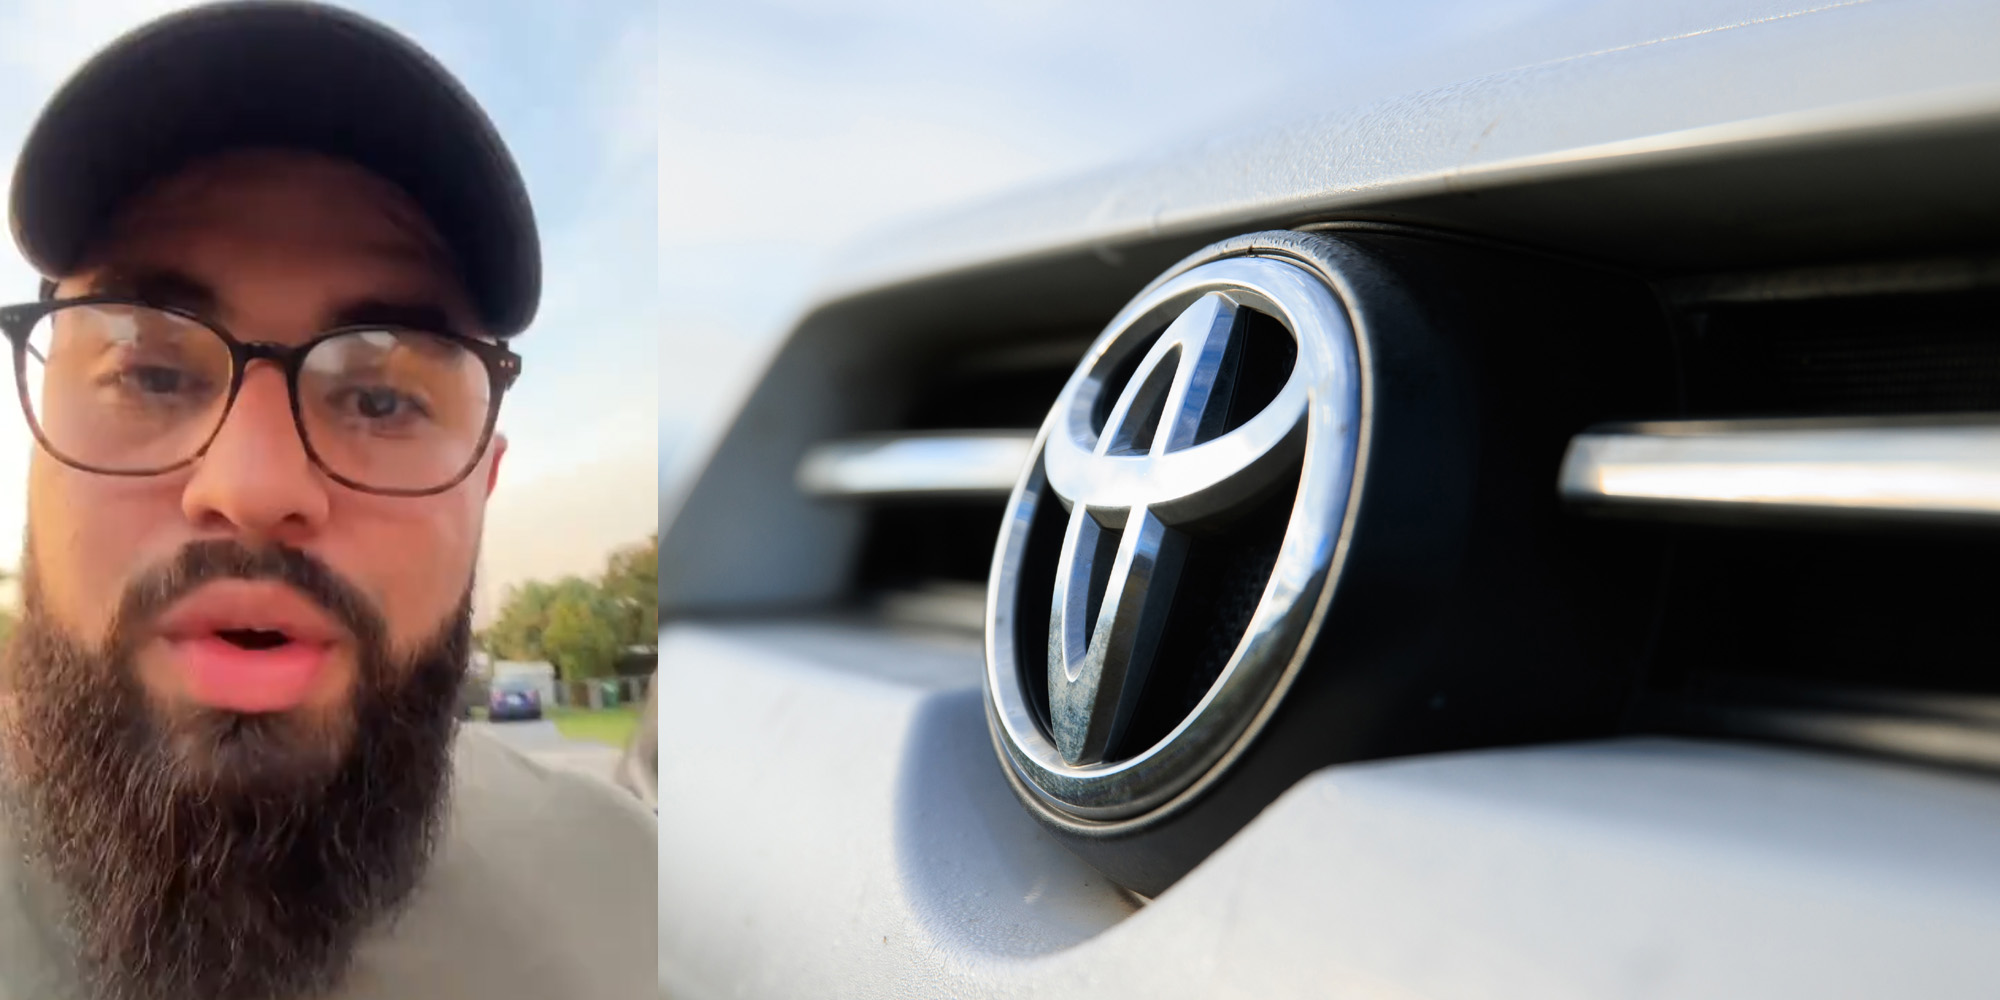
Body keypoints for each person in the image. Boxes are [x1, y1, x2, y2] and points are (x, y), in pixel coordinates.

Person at [0, 4, 657, 999]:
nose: (253, 489)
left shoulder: (625, 904)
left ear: (483, 486)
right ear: (36, 441)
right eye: (151, 373)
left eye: (381, 398)